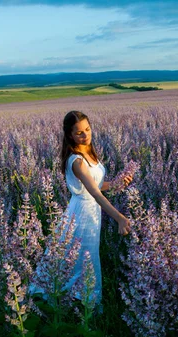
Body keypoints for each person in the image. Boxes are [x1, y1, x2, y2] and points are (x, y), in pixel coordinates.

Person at [56, 110, 133, 305]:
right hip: (82, 213)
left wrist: (117, 183)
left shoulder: (87, 153)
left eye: (88, 129)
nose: (86, 135)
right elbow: (95, 193)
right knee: (82, 258)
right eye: (79, 132)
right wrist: (119, 218)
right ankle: (81, 303)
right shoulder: (77, 161)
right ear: (70, 135)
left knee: (83, 257)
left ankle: (76, 301)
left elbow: (97, 184)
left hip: (92, 210)